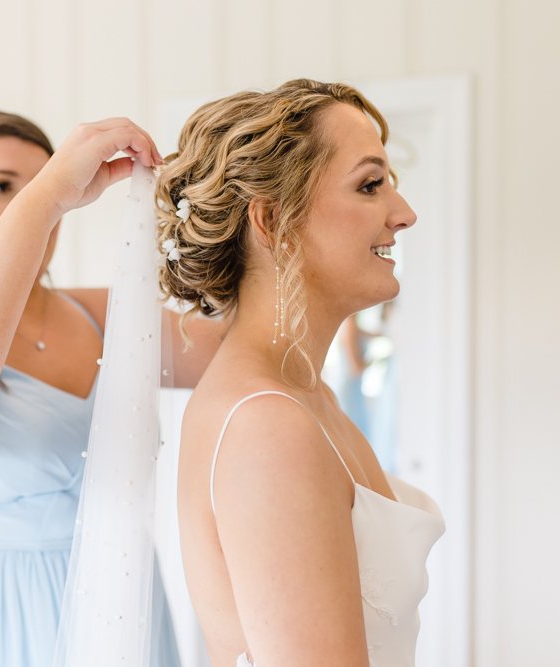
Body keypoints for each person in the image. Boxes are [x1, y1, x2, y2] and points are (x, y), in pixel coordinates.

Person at [0, 111, 219, 666]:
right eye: (1, 187)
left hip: (117, 610)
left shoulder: (107, 312)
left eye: (41, 182)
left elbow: (251, 357)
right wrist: (48, 194)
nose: (28, 203)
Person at [155, 80, 445, 666]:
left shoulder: (309, 394)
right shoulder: (266, 425)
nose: (404, 214)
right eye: (370, 185)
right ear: (273, 221)